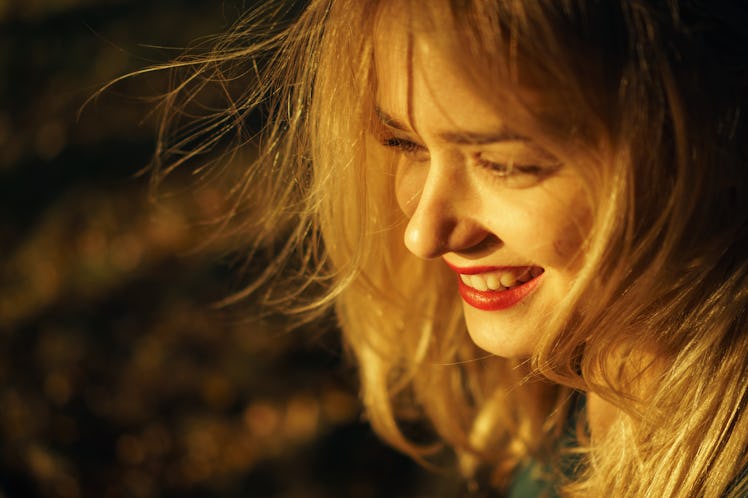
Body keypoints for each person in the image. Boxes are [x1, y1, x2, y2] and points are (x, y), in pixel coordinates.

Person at [147, 1, 748, 496]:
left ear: (711, 135)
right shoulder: (563, 389)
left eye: (507, 163)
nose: (423, 235)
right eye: (405, 144)